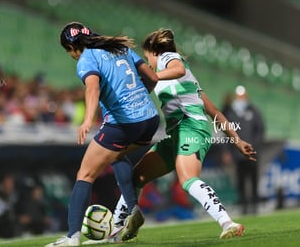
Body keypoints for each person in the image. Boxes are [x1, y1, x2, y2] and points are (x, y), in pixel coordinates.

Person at [88, 28, 257, 244]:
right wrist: (238, 141)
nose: (148, 62)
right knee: (136, 177)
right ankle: (115, 234)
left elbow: (176, 68)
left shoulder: (169, 58)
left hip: (192, 128)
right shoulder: (187, 81)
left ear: (154, 52)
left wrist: (152, 76)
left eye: (147, 56)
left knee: (187, 178)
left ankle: (227, 223)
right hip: (176, 133)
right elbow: (214, 111)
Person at [45, 22, 160, 247]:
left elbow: (92, 88)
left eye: (68, 51)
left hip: (123, 124)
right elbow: (153, 79)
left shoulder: (88, 57)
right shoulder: (120, 48)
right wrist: (138, 99)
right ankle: (132, 208)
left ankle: (73, 237)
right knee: (116, 155)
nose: (71, 56)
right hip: (149, 120)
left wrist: (88, 119)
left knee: (85, 174)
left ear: (72, 47)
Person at [222, 85, 265, 215]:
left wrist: (254, 145)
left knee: (253, 179)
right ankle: (243, 206)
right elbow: (225, 132)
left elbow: (260, 129)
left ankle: (254, 204)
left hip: (252, 152)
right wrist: (227, 150)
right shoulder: (230, 113)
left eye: (243, 97)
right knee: (240, 180)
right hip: (237, 153)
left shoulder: (253, 111)